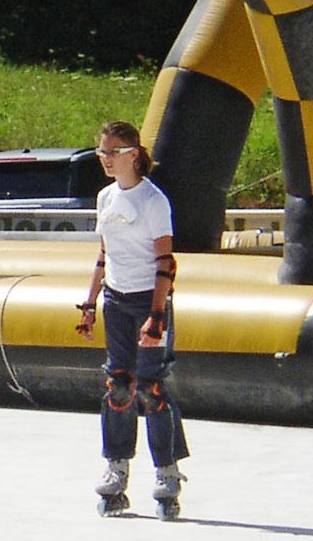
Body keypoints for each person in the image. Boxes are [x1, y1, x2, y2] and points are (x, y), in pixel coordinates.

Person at [75, 120, 189, 520]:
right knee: (118, 386)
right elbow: (104, 255)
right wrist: (90, 303)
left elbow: (166, 263)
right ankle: (117, 467)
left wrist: (156, 316)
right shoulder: (106, 198)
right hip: (117, 301)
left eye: (113, 152)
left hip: (147, 300)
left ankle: (167, 472)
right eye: (101, 153)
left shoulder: (153, 201)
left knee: (151, 389)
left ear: (134, 155)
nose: (105, 160)